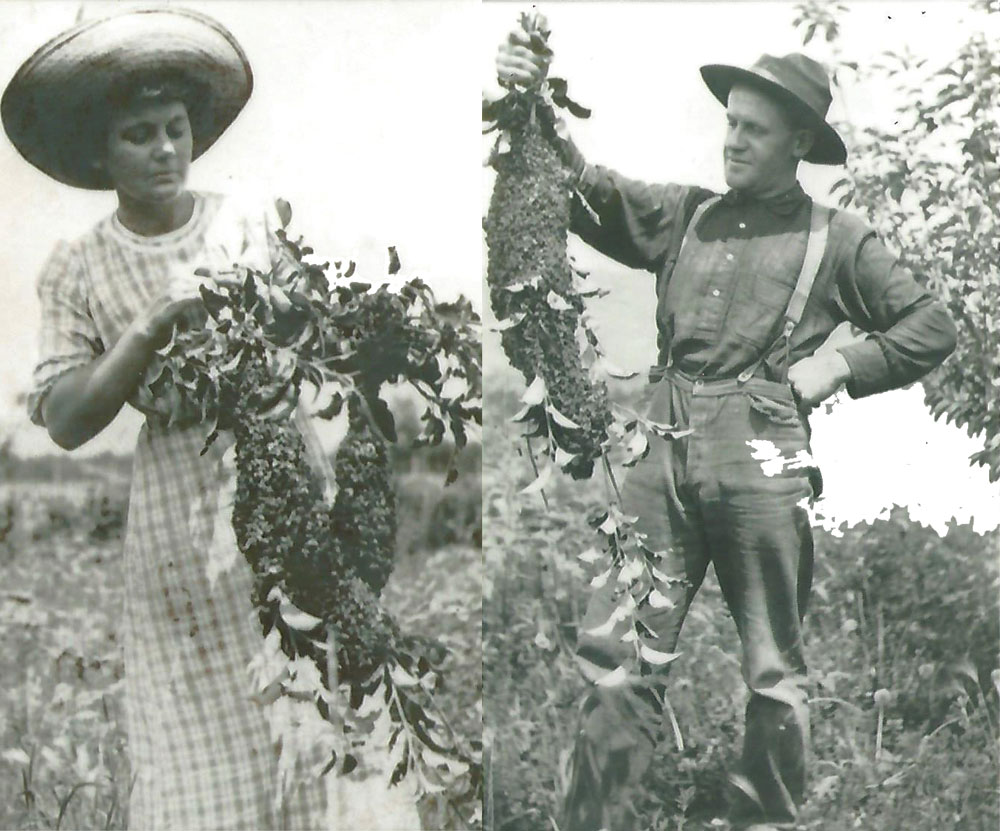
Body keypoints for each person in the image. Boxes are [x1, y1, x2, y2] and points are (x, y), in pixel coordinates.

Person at [494, 20, 957, 831]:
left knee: (773, 668)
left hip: (764, 448)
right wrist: (528, 95)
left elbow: (930, 324)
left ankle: (766, 820)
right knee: (618, 651)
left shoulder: (839, 239)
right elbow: (579, 186)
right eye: (729, 124)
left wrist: (838, 367)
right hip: (662, 441)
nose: (733, 141)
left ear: (799, 143)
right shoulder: (686, 215)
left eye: (754, 129)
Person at [3, 7, 420, 829]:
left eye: (175, 128)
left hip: (277, 488)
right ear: (100, 151)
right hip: (176, 526)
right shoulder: (77, 266)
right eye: (138, 135)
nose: (163, 149)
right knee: (204, 731)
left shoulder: (249, 225)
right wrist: (151, 325)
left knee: (316, 694)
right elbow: (65, 418)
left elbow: (321, 339)